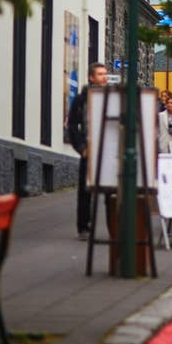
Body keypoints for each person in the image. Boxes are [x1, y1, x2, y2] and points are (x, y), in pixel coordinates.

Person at [67, 62, 109, 241]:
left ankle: (113, 226)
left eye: (105, 74)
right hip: (90, 149)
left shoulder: (111, 97)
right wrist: (81, 148)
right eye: (100, 74)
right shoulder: (81, 99)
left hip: (108, 150)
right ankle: (83, 227)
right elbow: (72, 125)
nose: (104, 77)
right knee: (85, 191)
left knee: (111, 190)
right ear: (91, 78)